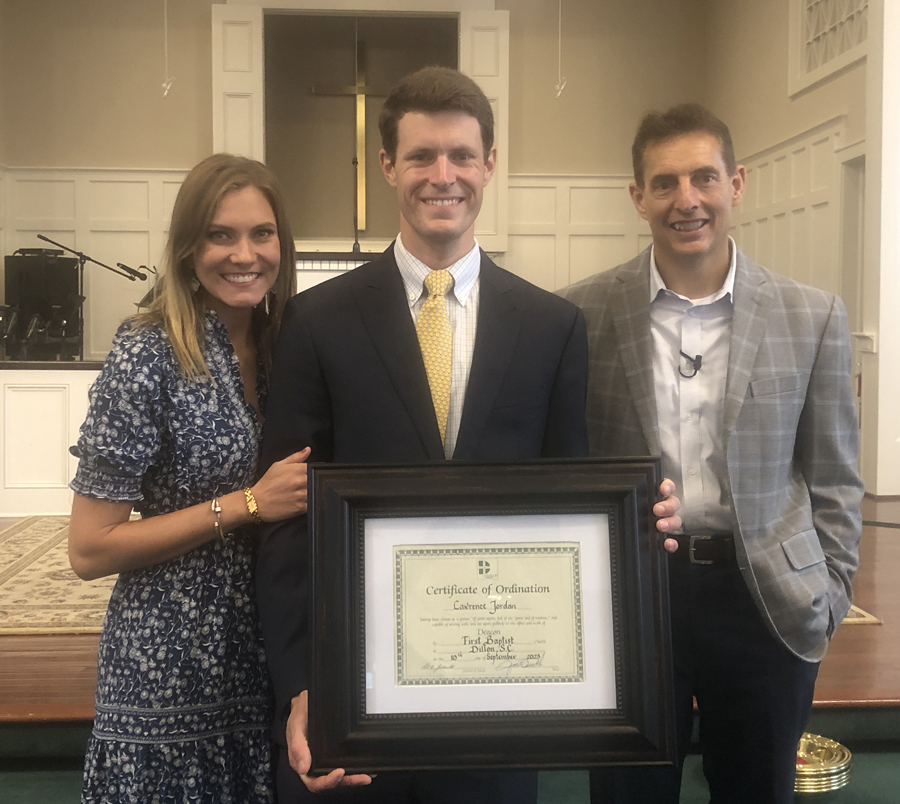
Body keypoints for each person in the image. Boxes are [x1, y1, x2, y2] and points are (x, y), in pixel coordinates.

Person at [255, 66, 681, 804]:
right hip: (355, 688)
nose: (441, 175)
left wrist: (639, 524)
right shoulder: (316, 321)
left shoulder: (551, 327)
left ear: (490, 164)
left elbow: (570, 508)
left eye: (460, 155)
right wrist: (299, 684)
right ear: (388, 165)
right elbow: (286, 523)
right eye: (420, 156)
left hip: (500, 692)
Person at [559, 103, 864, 804]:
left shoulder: (811, 315)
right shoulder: (580, 316)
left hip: (764, 600)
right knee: (626, 793)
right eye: (664, 183)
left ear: (737, 184)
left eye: (704, 177)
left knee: (756, 790)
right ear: (638, 197)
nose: (686, 200)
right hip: (632, 596)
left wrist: (833, 590)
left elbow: (836, 475)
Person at [67, 154, 310, 804]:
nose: (244, 254)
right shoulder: (147, 353)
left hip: (269, 655)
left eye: (261, 233)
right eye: (220, 234)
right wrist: (246, 504)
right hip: (167, 665)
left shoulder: (292, 342)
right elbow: (90, 548)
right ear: (187, 248)